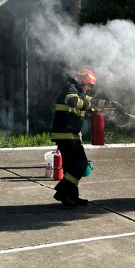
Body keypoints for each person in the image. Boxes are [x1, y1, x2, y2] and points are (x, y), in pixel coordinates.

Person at [50, 68, 107, 208]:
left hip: (70, 134)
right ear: (82, 81)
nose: (89, 88)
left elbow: (93, 101)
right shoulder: (70, 89)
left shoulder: (80, 92)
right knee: (81, 165)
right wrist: (90, 107)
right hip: (66, 135)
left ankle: (71, 198)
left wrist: (111, 105)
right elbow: (72, 100)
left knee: (71, 168)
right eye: (89, 85)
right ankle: (62, 192)